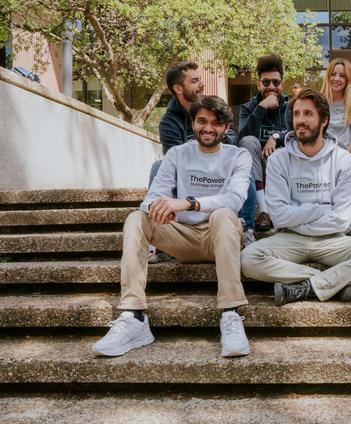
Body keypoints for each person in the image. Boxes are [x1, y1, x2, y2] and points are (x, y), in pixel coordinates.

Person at [93, 95, 252, 358]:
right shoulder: (178, 154)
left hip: (219, 237)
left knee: (224, 214)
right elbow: (152, 198)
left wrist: (188, 203)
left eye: (216, 123)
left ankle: (231, 313)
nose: (208, 128)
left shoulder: (239, 156)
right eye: (202, 121)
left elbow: (234, 199)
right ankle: (134, 316)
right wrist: (158, 209)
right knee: (136, 218)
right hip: (180, 236)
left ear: (227, 127)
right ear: (193, 123)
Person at [241, 88, 351, 305]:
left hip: (332, 240)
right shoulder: (278, 160)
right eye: (297, 114)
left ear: (324, 120)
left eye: (308, 114)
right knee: (248, 259)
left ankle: (308, 286)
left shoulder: (344, 161)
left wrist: (298, 214)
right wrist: (322, 209)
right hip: (290, 238)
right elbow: (279, 216)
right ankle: (332, 283)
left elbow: (342, 220)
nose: (300, 120)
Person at [154, 61, 256, 247]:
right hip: (188, 178)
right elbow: (173, 162)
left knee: (244, 170)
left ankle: (247, 227)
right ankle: (161, 223)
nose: (201, 84)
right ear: (178, 88)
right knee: (158, 166)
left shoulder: (213, 108)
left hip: (219, 174)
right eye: (195, 81)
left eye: (200, 79)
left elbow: (230, 144)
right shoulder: (169, 123)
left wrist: (212, 148)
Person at [238, 54, 291, 231]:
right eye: (266, 82)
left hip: (283, 167)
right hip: (256, 168)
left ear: (282, 84)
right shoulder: (248, 108)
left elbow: (296, 132)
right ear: (258, 84)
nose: (271, 87)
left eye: (276, 82)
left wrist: (275, 137)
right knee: (249, 141)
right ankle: (263, 211)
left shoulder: (291, 106)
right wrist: (261, 108)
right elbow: (242, 137)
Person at [320, 58, 351, 153]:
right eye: (333, 74)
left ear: (348, 79)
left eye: (342, 76)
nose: (336, 79)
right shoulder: (318, 102)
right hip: (323, 154)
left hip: (348, 155)